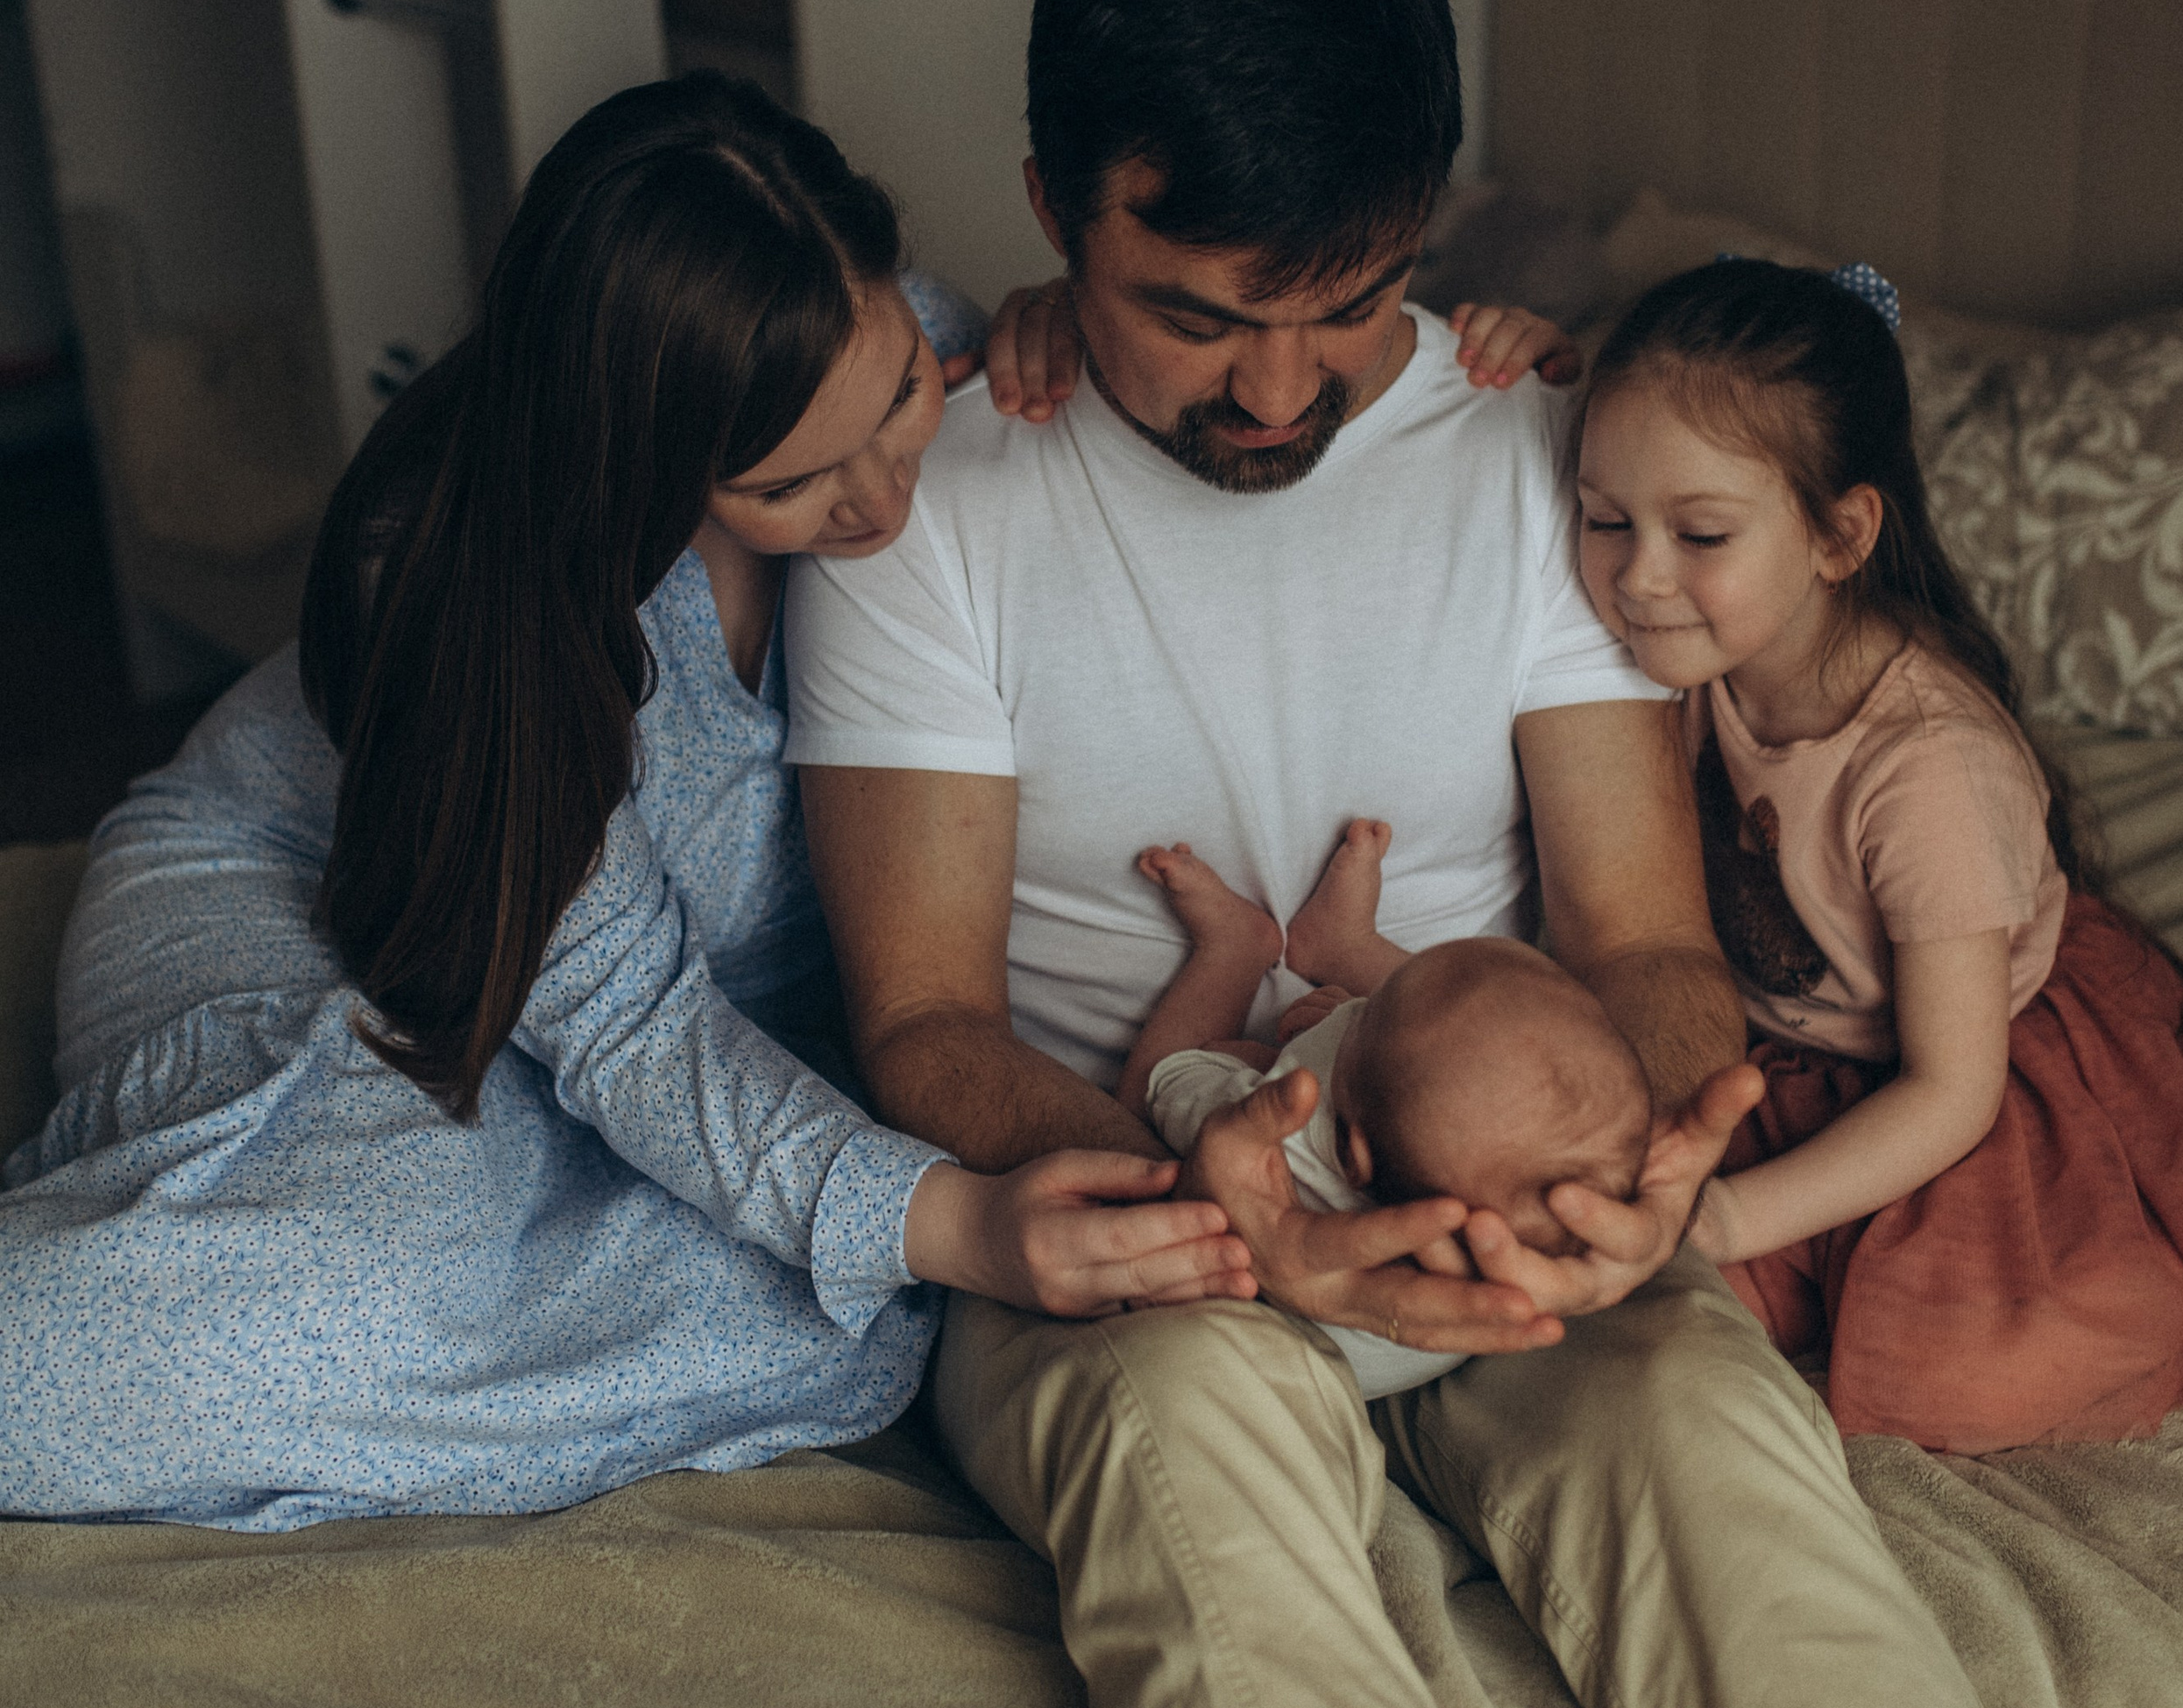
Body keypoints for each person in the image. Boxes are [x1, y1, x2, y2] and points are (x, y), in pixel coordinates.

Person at [786, 0, 2183, 1708]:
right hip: (1130, 1187)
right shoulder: (952, 499)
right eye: (1196, 319)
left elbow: (1652, 933)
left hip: (1510, 1172)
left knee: (1729, 1495)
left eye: (1345, 301)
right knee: (1203, 1488)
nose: (1280, 389)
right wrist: (1224, 1203)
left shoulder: (1535, 449)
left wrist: (1657, 1161)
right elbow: (918, 1025)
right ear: (1056, 219)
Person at [0, 77, 1250, 1529]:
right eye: (790, 486)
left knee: (807, 1245)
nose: (880, 505)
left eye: (900, 396)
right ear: (645, 460)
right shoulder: (466, 589)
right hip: (315, 900)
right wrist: (952, 1225)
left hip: (665, 1004)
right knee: (403, 1257)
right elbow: (625, 1026)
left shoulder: (946, 338)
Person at [1575, 253, 2183, 1449]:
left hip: (1969, 1069)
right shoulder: (1684, 659)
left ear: (1840, 534)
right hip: (1785, 1053)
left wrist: (1727, 1215)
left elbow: (1951, 1089)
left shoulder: (1929, 767)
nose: (1638, 576)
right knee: (1622, 1298)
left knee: (1966, 1376)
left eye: (1702, 530)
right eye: (1606, 518)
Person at [1123, 823, 1652, 1404]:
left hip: (1291, 1349)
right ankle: (1344, 944)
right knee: (1466, 1027)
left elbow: (1173, 1092)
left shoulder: (1289, 1155)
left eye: (1358, 1017)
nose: (1351, 1011)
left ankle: (1232, 948)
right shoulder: (1536, 1236)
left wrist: (1238, 1066)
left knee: (1156, 1081)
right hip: (1416, 1353)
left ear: (1353, 1154)